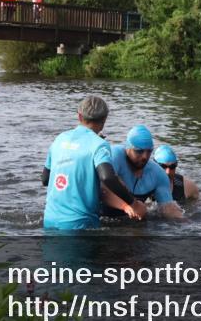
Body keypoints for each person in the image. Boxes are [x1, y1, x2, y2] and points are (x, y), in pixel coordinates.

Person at [41, 95, 147, 229]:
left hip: (49, 220)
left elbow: (45, 179)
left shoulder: (59, 139)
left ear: (79, 116)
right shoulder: (99, 145)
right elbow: (107, 177)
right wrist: (134, 203)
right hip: (80, 225)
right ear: (104, 121)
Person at [103, 125, 183, 219]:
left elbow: (168, 207)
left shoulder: (158, 174)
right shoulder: (115, 156)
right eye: (139, 151)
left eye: (149, 151)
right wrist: (128, 206)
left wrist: (185, 224)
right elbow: (102, 190)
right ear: (127, 148)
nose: (145, 156)